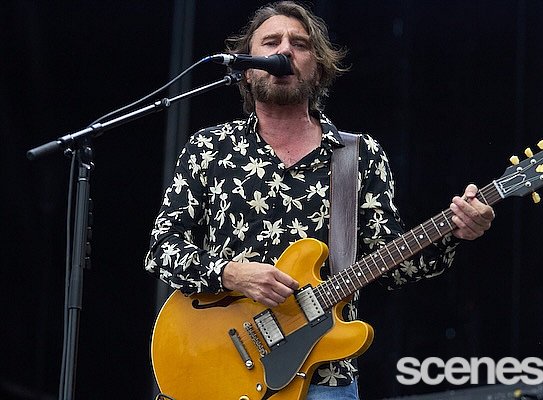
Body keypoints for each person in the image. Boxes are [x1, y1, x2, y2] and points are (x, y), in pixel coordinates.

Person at [144, 1, 495, 399]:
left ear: (319, 66)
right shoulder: (209, 147)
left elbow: (396, 266)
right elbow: (162, 250)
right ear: (246, 68)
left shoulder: (357, 156)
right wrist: (233, 274)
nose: (285, 50)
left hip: (323, 380)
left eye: (300, 44)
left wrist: (454, 231)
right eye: (271, 43)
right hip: (217, 367)